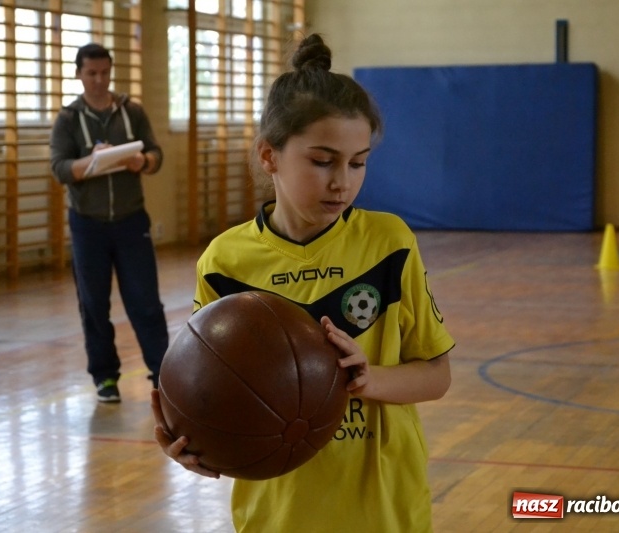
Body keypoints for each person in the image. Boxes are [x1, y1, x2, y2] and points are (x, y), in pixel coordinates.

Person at [151, 33, 455, 531]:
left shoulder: (388, 242)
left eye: (358, 162)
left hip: (382, 510)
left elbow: (437, 376)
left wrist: (369, 379)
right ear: (269, 156)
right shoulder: (224, 262)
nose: (343, 181)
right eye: (322, 161)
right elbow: (210, 385)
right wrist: (189, 432)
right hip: (276, 515)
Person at [50, 43, 168, 403]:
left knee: (145, 302)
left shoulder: (131, 111)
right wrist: (91, 161)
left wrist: (142, 162)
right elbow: (60, 168)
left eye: (105, 73)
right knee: (94, 304)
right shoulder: (69, 119)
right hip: (88, 225)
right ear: (79, 74)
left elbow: (156, 154)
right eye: (92, 73)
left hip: (131, 221)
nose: (99, 80)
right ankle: (104, 378)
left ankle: (164, 374)